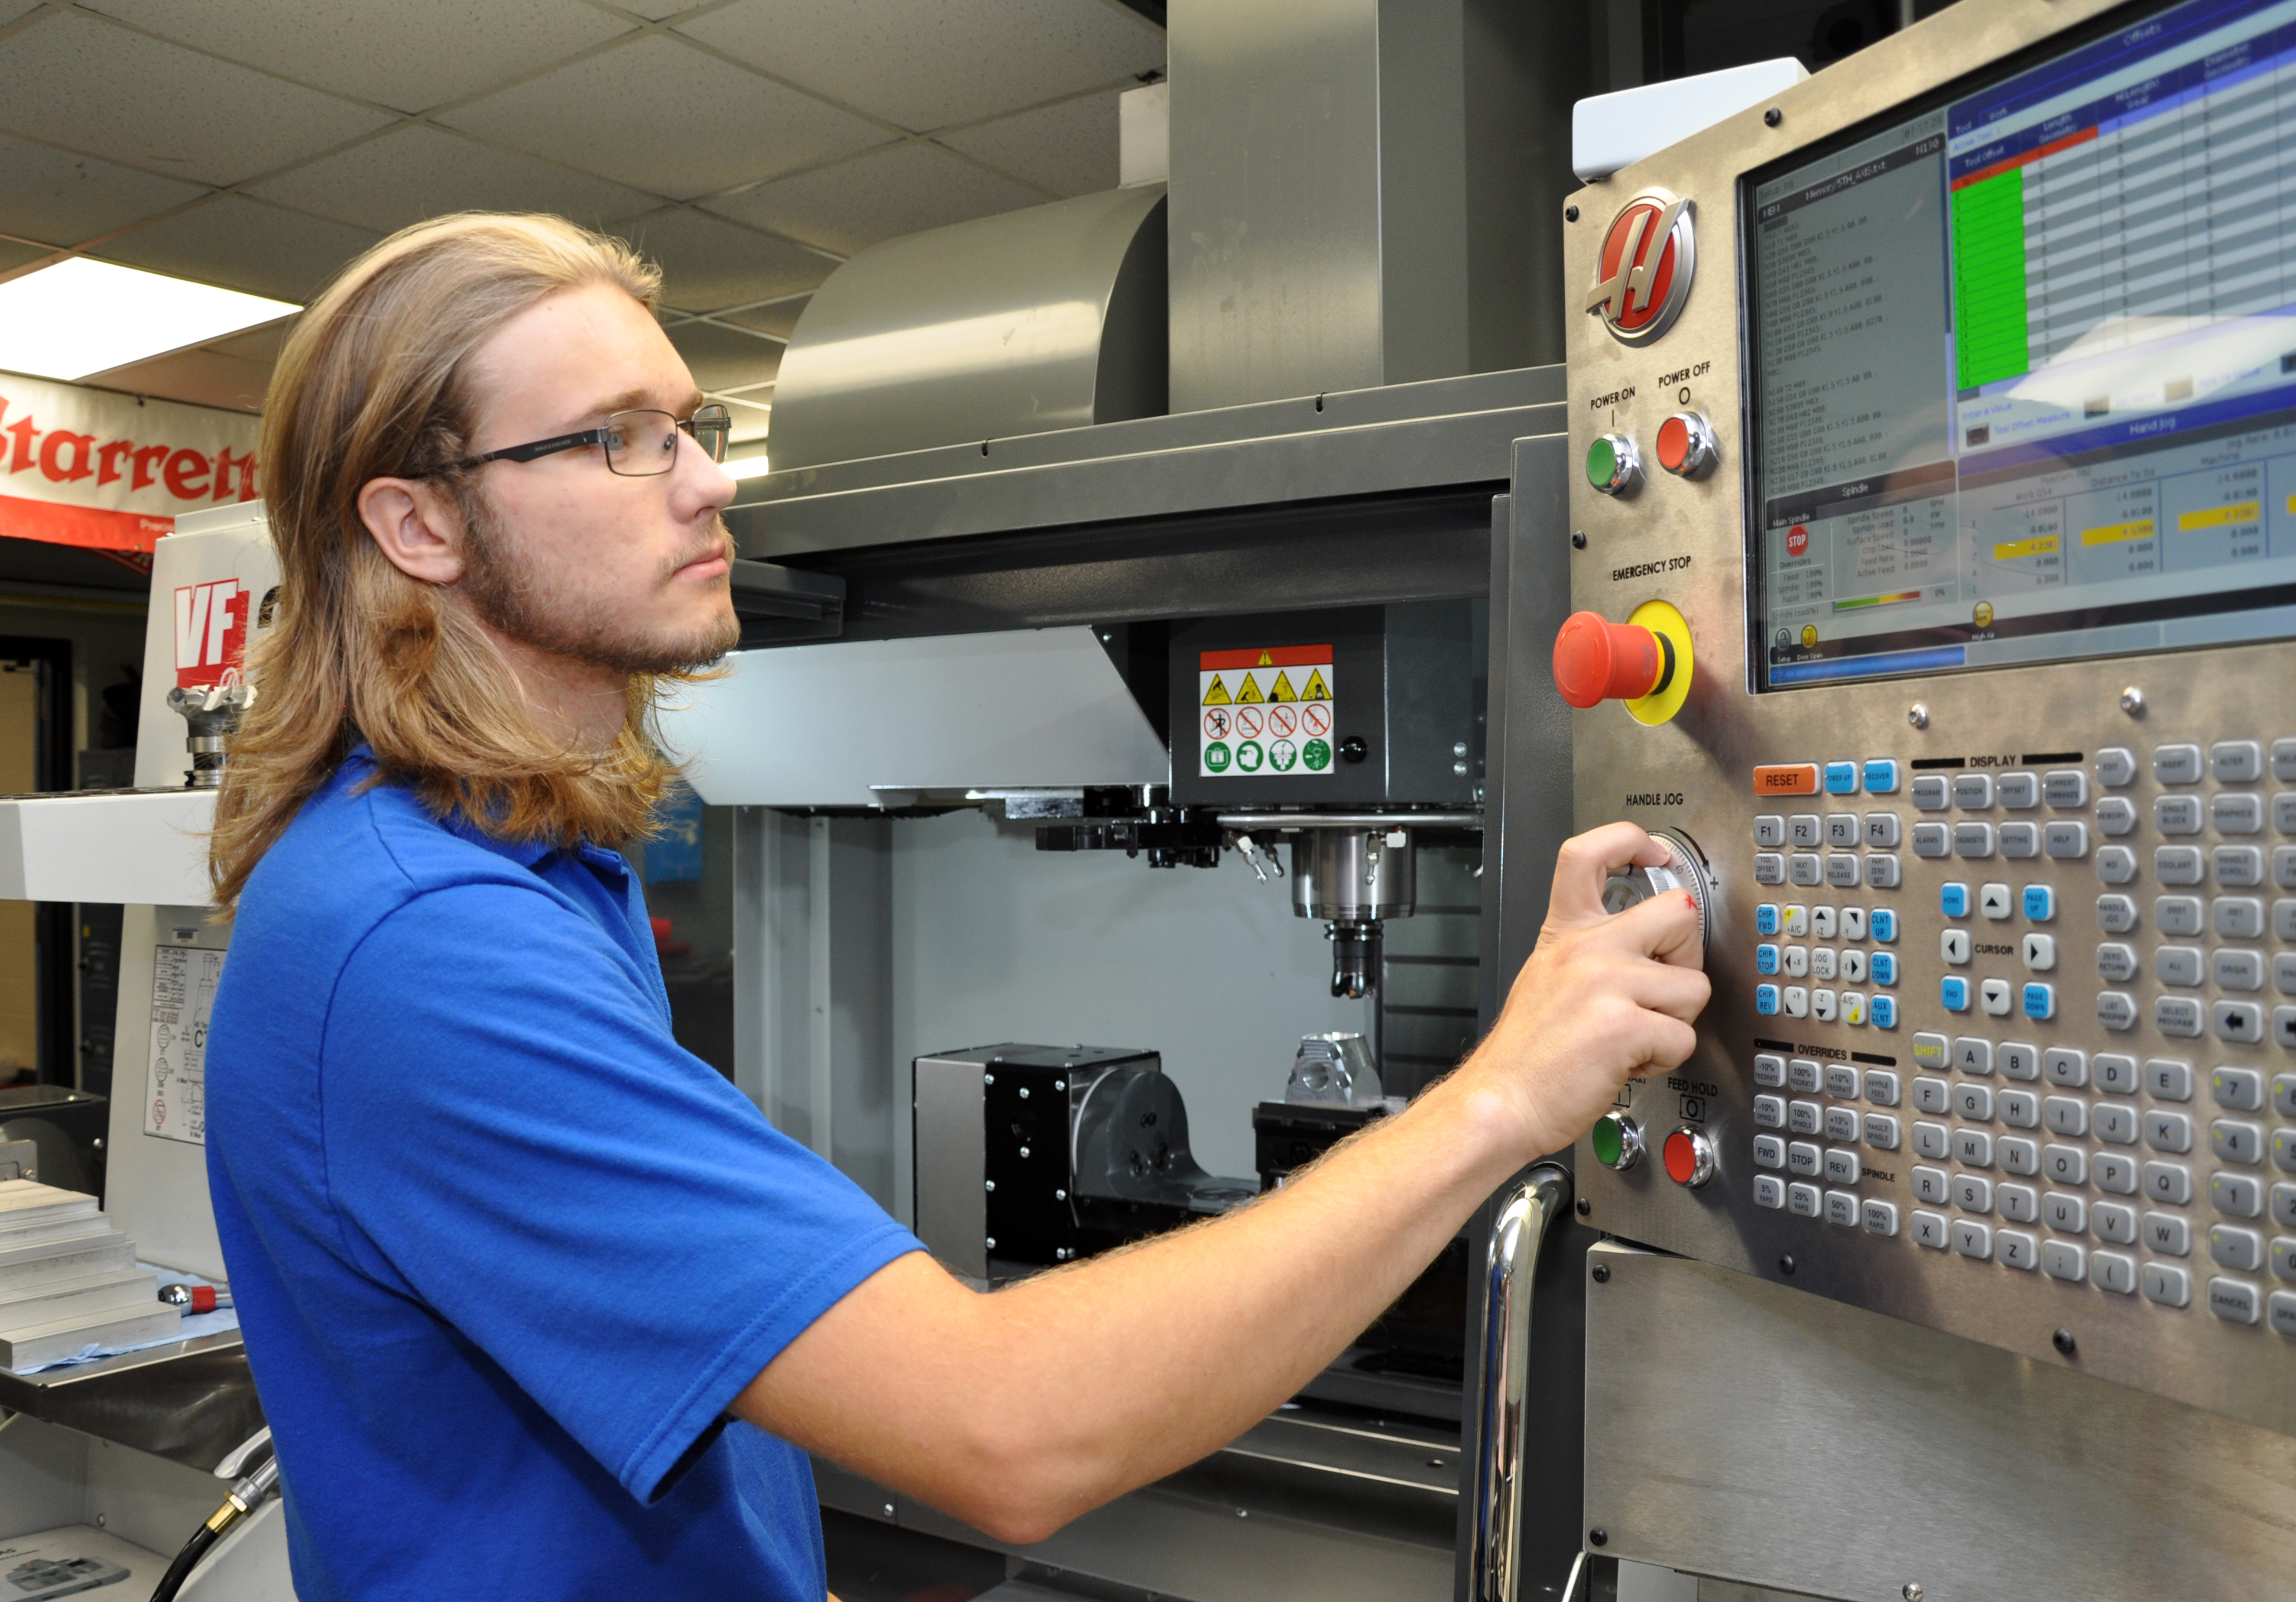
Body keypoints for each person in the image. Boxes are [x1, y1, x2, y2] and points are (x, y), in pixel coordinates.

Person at [205, 213, 1710, 1599]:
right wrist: (1504, 1092)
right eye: (619, 438)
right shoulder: (424, 944)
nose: (711, 478)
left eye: (695, 424)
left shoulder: (500, 866)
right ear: (419, 525)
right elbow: (1006, 1433)